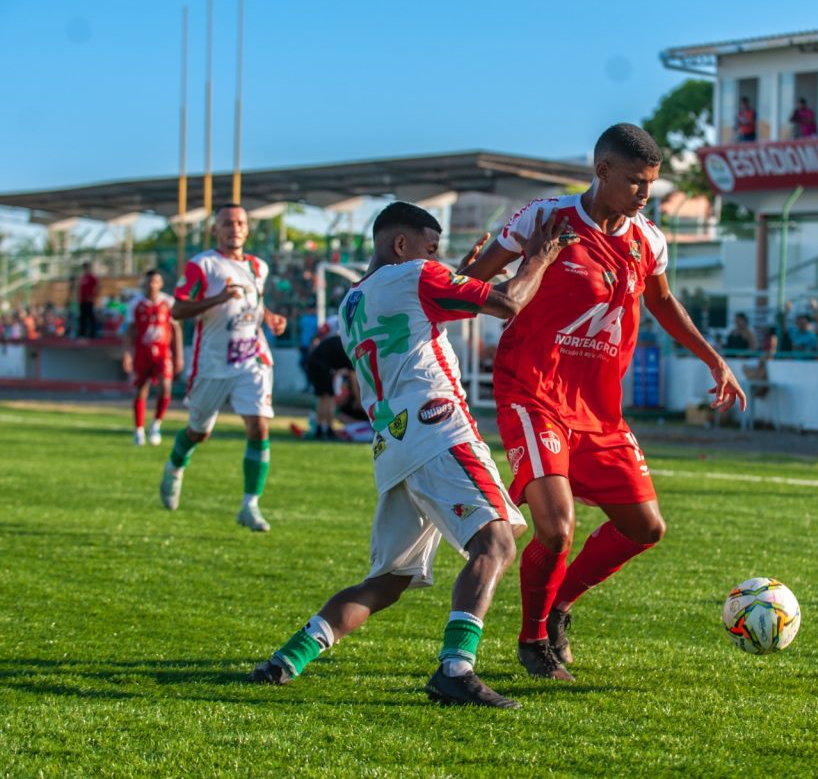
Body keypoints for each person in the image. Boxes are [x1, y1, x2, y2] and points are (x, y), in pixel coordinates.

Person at [248, 201, 575, 709]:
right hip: (438, 430)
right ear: (401, 245)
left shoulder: (352, 300)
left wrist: (458, 276)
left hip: (393, 446)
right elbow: (509, 302)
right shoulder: (417, 275)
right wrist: (540, 256)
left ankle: (285, 660)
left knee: (389, 581)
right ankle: (455, 668)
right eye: (430, 248)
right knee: (498, 542)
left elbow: (417, 314)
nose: (436, 260)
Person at [461, 123, 746, 680]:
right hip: (532, 391)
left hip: (599, 410)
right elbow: (475, 282)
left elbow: (664, 305)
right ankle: (533, 640)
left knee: (646, 528)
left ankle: (560, 606)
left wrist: (715, 359)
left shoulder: (649, 240)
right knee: (556, 527)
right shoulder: (544, 218)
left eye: (652, 185)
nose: (645, 195)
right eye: (636, 182)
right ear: (602, 172)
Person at [158, 203, 288, 532]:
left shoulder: (259, 266)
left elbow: (255, 302)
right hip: (213, 363)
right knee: (199, 432)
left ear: (247, 228)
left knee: (259, 426)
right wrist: (216, 300)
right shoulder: (202, 265)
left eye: (240, 222)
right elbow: (178, 311)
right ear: (216, 229)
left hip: (252, 357)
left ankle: (250, 505)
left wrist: (270, 317)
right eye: (227, 223)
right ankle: (175, 466)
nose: (235, 228)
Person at [123, 270, 183, 445]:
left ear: (161, 283)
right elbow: (129, 331)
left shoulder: (168, 302)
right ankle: (139, 429)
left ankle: (156, 423)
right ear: (145, 283)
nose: (152, 284)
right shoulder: (135, 304)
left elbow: (175, 330)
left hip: (163, 352)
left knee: (166, 386)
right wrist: (128, 354)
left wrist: (178, 355)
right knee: (141, 389)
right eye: (149, 281)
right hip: (143, 351)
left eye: (156, 281)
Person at [303, 331, 368, 439]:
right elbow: (352, 378)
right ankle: (328, 428)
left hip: (313, 363)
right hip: (322, 366)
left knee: (322, 397)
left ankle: (320, 428)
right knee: (330, 398)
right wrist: (358, 399)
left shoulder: (343, 342)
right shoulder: (351, 351)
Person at [77, 261, 99, 338]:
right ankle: (82, 333)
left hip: (89, 300)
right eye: (84, 268)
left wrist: (93, 296)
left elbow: (98, 286)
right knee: (82, 317)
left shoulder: (92, 277)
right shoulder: (82, 278)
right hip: (82, 300)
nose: (85, 269)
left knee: (90, 316)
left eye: (86, 267)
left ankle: (93, 333)